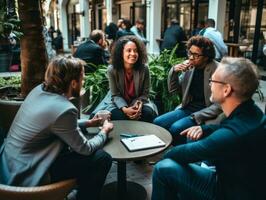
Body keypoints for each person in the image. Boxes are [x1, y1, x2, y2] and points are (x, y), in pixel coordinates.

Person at [152, 57, 266, 200]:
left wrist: (165, 155)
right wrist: (204, 129)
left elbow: (180, 154)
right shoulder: (252, 112)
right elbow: (227, 127)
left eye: (212, 81)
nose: (209, 84)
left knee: (163, 168)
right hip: (244, 181)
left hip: (229, 192)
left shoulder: (231, 135)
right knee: (192, 139)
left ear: (226, 90)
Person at [0, 56, 114, 200]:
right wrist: (104, 131)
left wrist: (88, 123)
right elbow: (85, 149)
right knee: (101, 158)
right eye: (82, 79)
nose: (83, 82)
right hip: (28, 172)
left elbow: (53, 123)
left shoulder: (38, 90)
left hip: (10, 163)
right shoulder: (65, 109)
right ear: (73, 83)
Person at [154, 36, 222, 145]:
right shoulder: (189, 67)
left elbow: (220, 105)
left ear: (206, 57)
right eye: (190, 53)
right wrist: (174, 71)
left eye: (196, 55)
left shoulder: (218, 70)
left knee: (176, 128)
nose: (191, 57)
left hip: (206, 112)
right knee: (158, 122)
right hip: (187, 108)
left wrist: (197, 116)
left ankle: (183, 153)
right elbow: (174, 90)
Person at [92, 35, 158, 123]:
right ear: (121, 53)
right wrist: (125, 109)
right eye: (129, 50)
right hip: (116, 102)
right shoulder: (112, 70)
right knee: (119, 116)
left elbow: (145, 93)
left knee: (147, 114)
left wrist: (137, 105)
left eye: (136, 51)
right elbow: (115, 95)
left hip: (138, 101)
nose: (133, 54)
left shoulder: (144, 68)